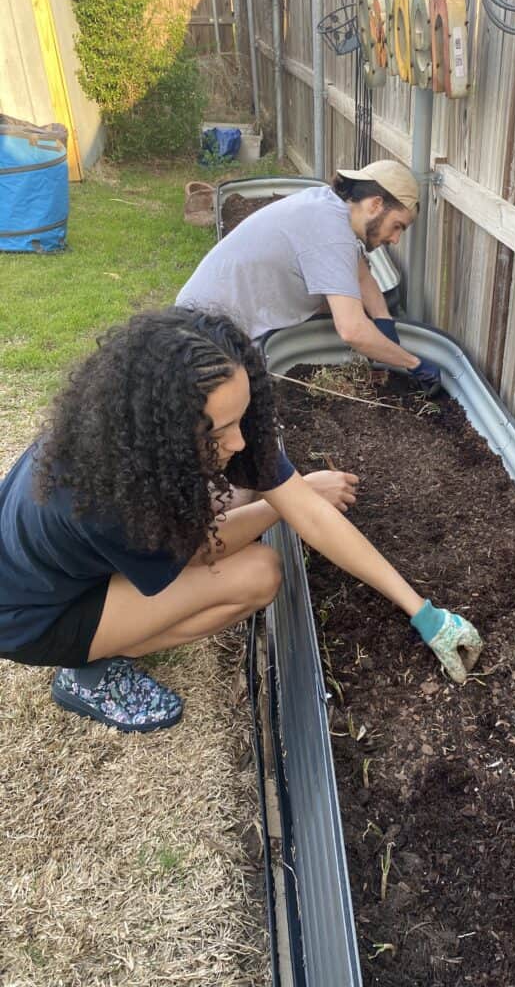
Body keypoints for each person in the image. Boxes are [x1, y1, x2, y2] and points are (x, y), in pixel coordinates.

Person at [0, 309, 482, 733]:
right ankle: (85, 673)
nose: (238, 443)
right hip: (34, 614)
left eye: (241, 416)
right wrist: (278, 506)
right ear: (161, 429)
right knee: (258, 574)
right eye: (218, 431)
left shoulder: (162, 433)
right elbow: (204, 552)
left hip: (64, 564)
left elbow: (310, 514)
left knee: (247, 484)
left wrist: (425, 613)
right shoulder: (106, 495)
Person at [175, 159, 441, 394]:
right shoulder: (333, 235)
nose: (395, 239)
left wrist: (384, 322)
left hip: (205, 318)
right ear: (375, 204)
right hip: (206, 336)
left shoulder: (328, 206)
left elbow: (361, 278)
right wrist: (414, 364)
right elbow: (352, 331)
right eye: (397, 226)